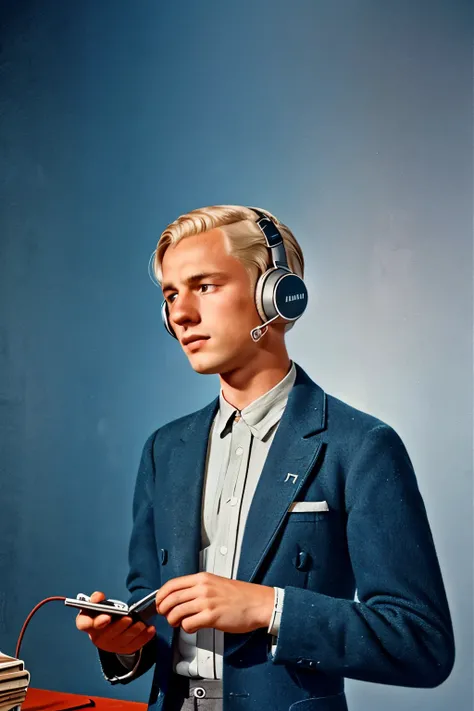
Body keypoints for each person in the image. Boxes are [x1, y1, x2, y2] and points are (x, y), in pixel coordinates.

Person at [76, 205, 455, 711]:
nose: (181, 314)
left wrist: (268, 608)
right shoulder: (163, 450)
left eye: (204, 286)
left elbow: (422, 642)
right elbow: (152, 614)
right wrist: (124, 646)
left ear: (276, 295)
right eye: (170, 294)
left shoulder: (362, 446)